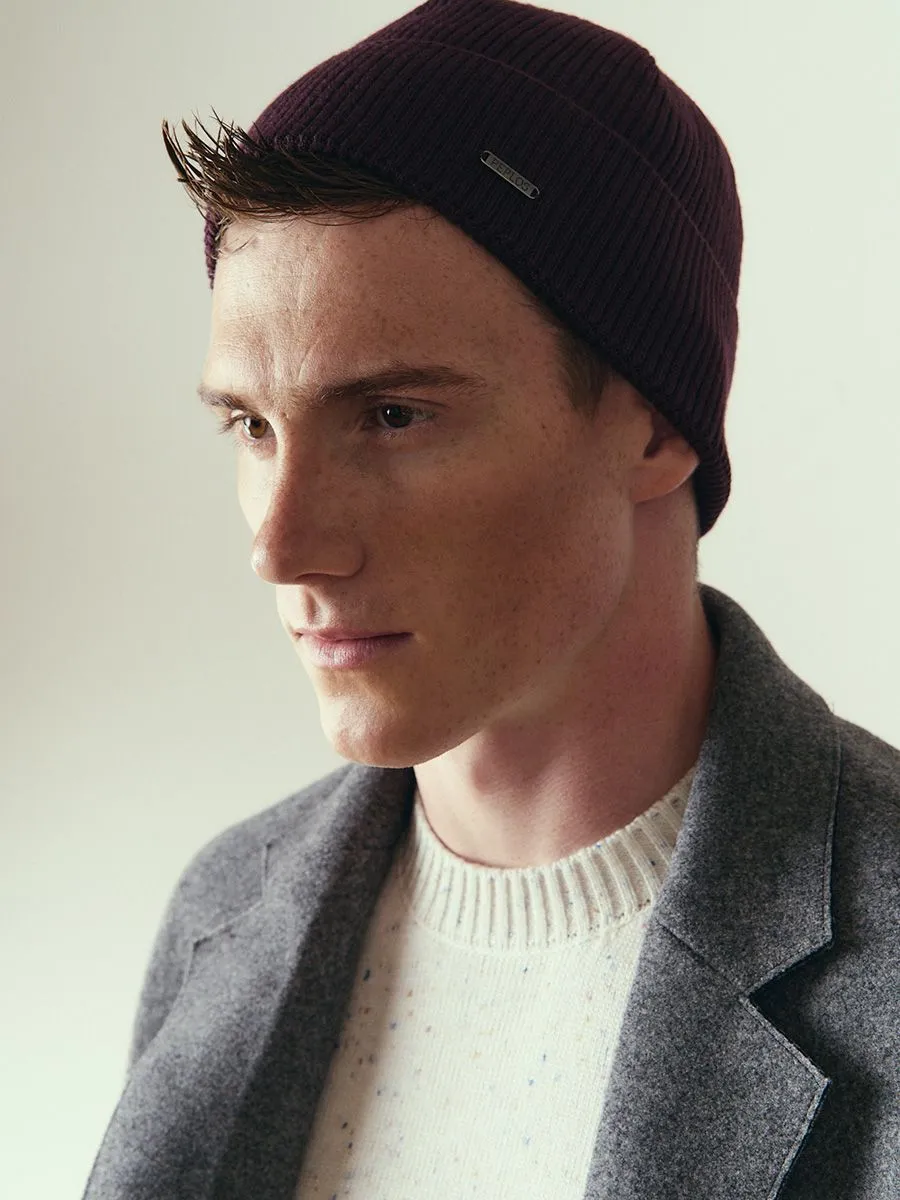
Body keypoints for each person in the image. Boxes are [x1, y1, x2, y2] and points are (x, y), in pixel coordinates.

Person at [83, 2, 900, 1197]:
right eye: (251, 426)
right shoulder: (224, 912)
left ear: (656, 425)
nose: (284, 547)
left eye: (393, 416)